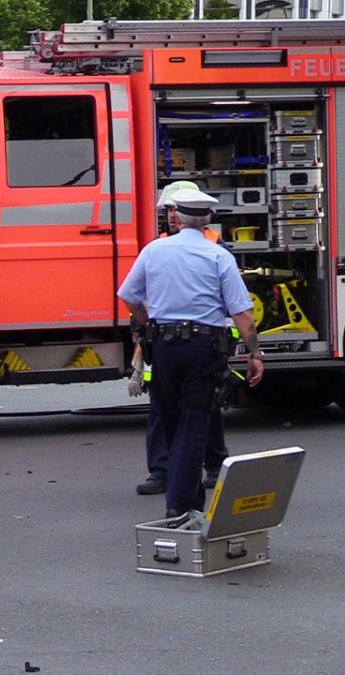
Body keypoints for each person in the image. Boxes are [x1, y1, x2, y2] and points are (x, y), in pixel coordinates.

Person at [117, 187, 264, 518]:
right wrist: (255, 354)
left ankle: (185, 500)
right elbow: (242, 314)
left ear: (178, 217)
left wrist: (148, 322)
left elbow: (128, 295)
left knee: (171, 422)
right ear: (208, 218)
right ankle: (181, 507)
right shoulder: (218, 256)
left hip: (163, 347)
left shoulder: (154, 251)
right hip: (203, 348)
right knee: (195, 422)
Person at [131, 181, 230, 496]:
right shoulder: (157, 247)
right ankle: (163, 471)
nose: (172, 215)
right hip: (165, 338)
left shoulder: (216, 248)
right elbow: (139, 294)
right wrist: (140, 331)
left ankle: (212, 464)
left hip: (200, 339)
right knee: (164, 408)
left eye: (176, 209)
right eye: (168, 209)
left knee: (204, 406)